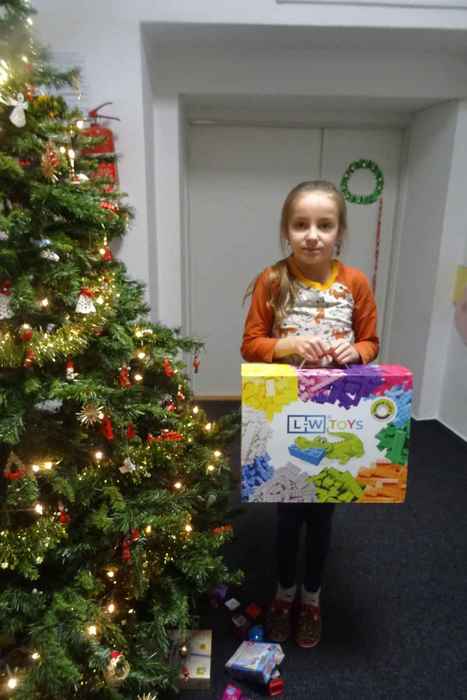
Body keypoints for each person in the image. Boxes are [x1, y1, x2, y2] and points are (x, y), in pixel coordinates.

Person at [241, 180, 379, 648]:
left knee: (322, 512)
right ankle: (283, 594)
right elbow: (251, 345)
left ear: (340, 231)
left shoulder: (355, 283)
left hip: (337, 412)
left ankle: (313, 597)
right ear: (286, 230)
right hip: (286, 411)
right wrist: (289, 344)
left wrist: (355, 352)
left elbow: (371, 342)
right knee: (287, 512)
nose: (313, 235)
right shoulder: (272, 280)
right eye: (301, 224)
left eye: (325, 225)